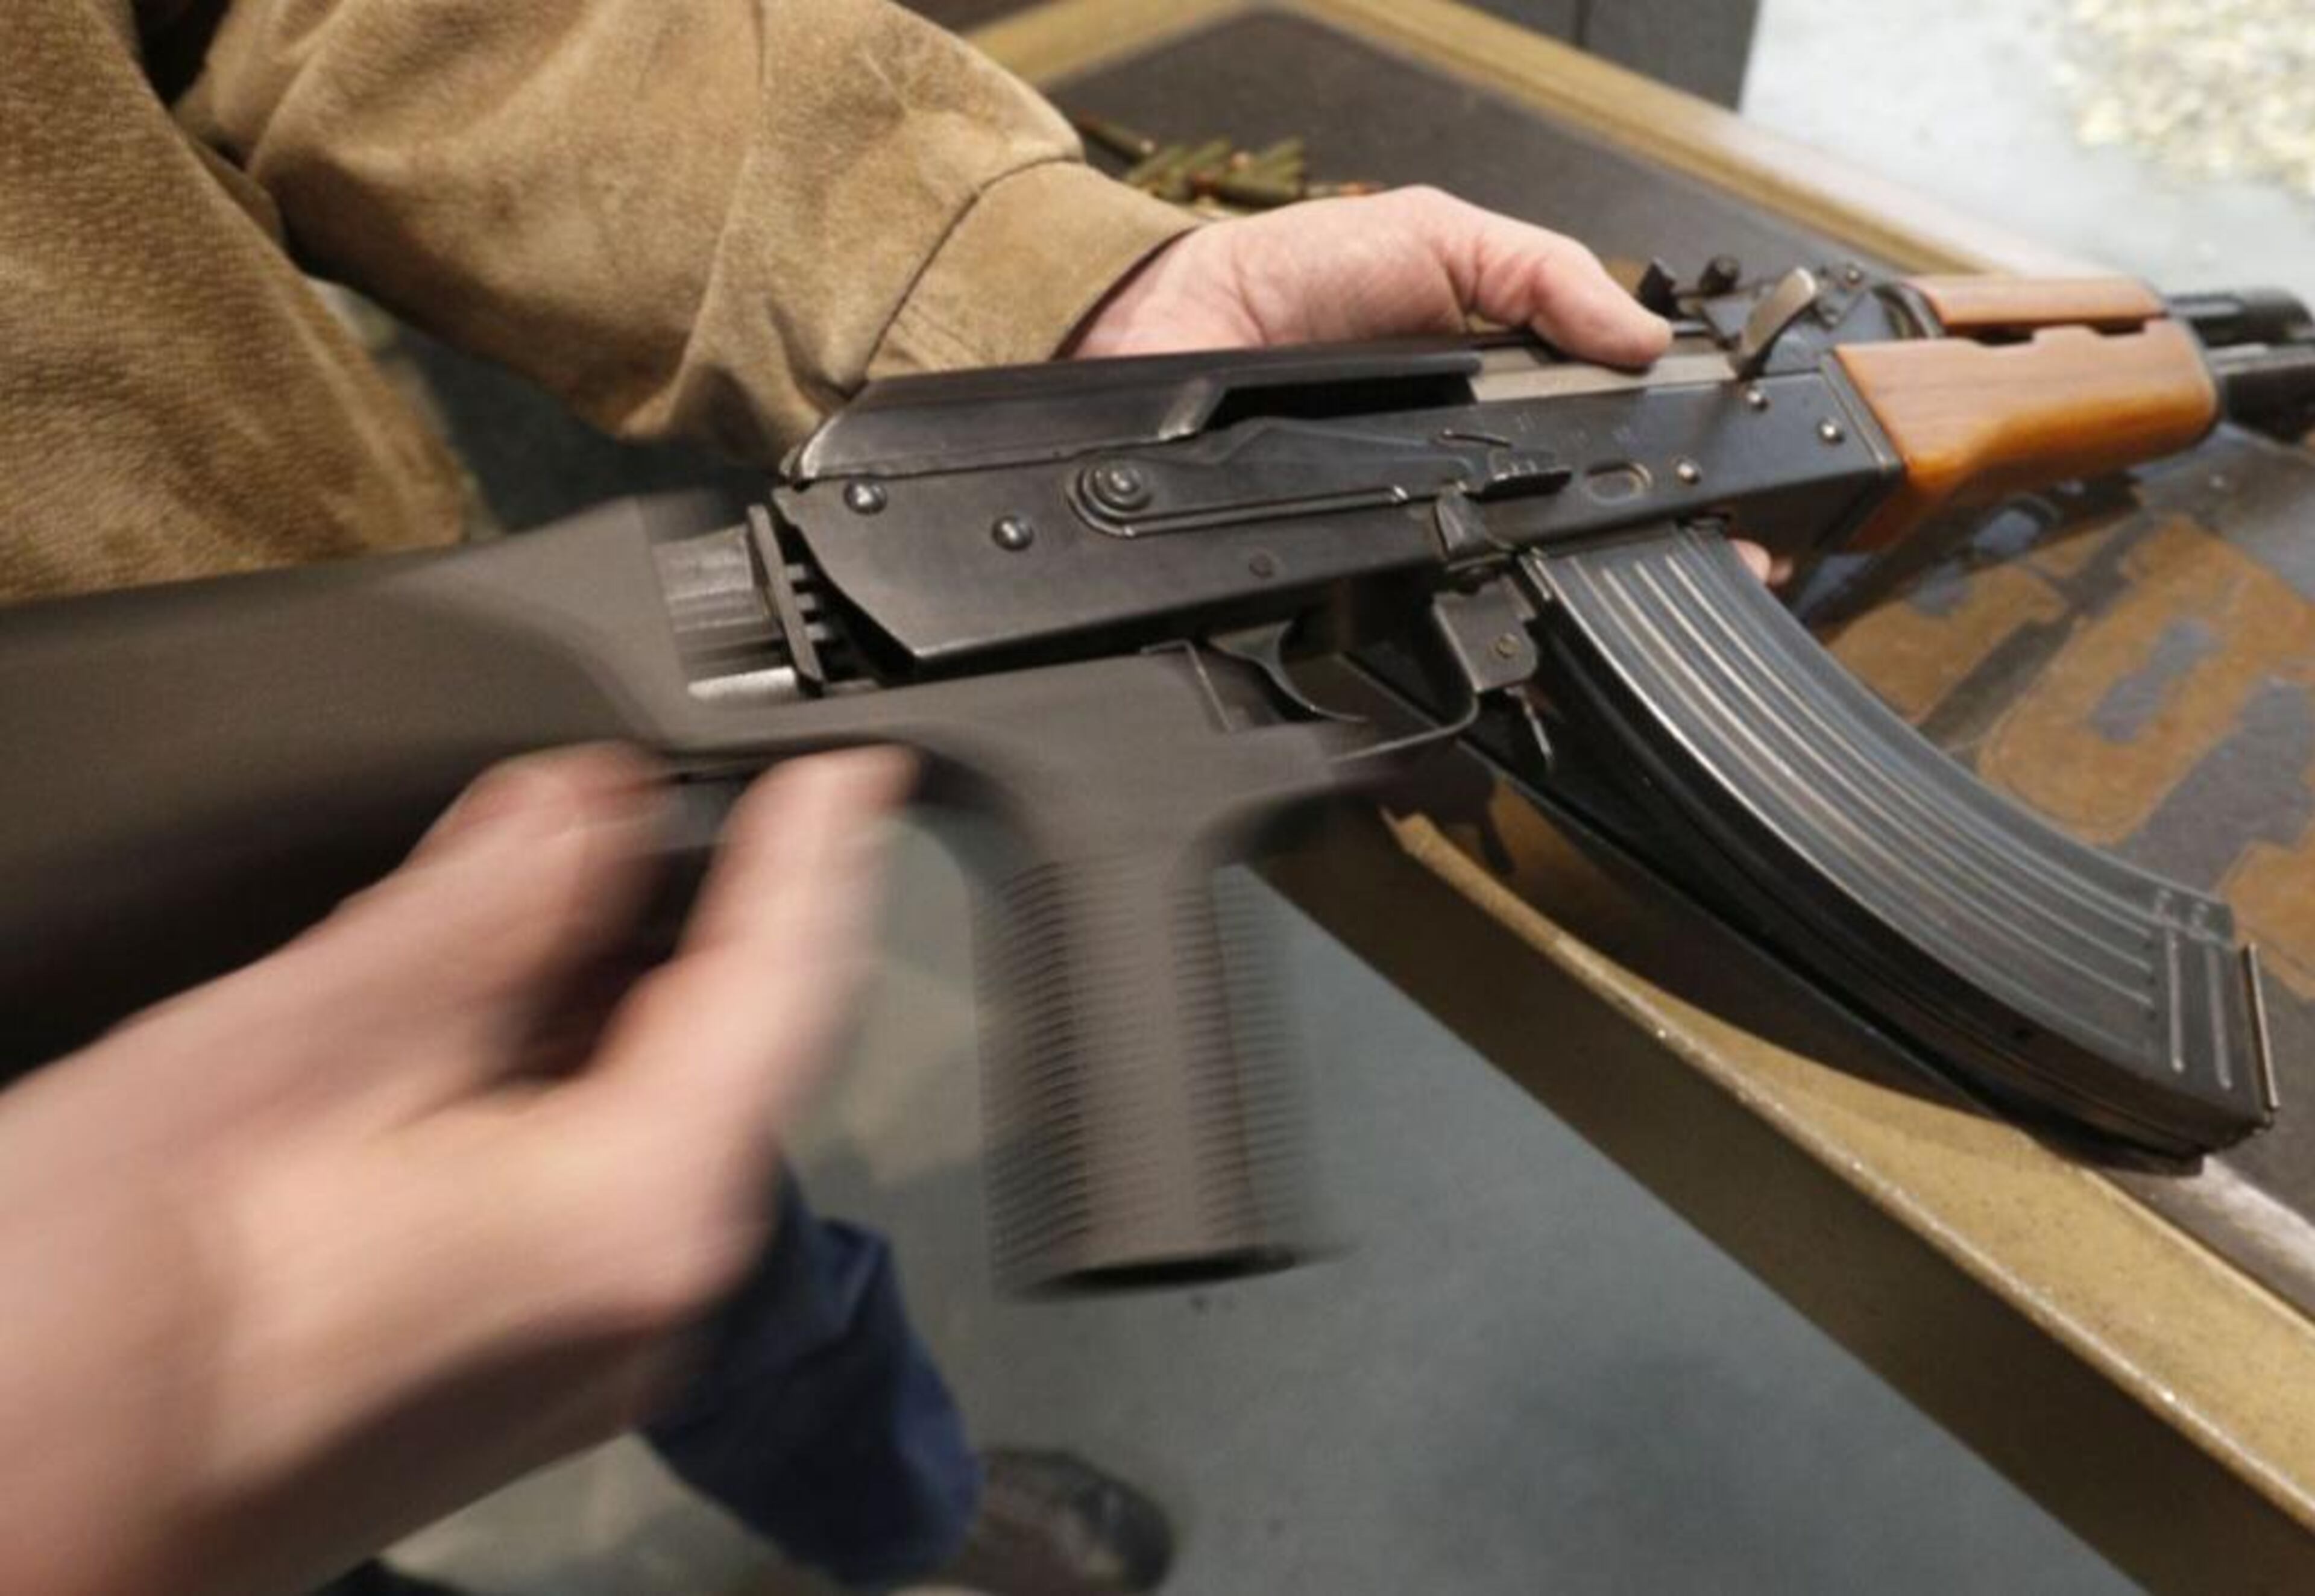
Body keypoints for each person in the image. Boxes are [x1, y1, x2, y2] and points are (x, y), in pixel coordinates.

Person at [0, 2, 1675, 1593]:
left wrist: (1044, 294)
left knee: (725, 1261)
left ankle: (899, 1514)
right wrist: (126, 1447)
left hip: (364, 712)